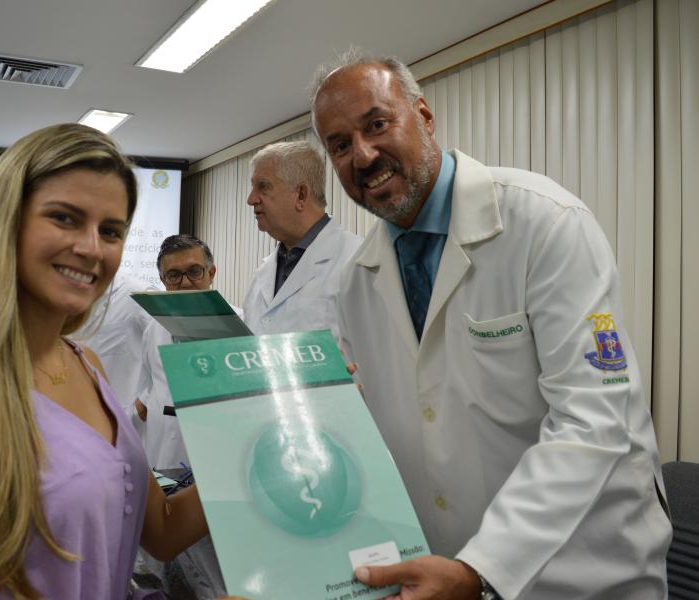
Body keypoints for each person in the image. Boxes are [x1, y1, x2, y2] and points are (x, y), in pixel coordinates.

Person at [310, 50, 671, 599]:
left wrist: (481, 567)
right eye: (339, 145)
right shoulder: (356, 282)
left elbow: (594, 416)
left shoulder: (546, 223)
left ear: (424, 117)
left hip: (583, 573)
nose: (362, 154)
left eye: (377, 124)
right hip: (445, 570)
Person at [0, 123, 211, 600]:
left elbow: (162, 530)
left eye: (110, 231)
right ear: (7, 224)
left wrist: (265, 443)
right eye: (64, 218)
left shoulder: (87, 365)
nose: (91, 247)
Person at [133, 233, 233, 600]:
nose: (185, 282)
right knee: (167, 574)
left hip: (210, 474)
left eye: (194, 271)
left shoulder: (236, 325)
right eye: (174, 276)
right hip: (162, 464)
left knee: (213, 580)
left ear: (212, 273)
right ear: (162, 281)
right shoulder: (153, 328)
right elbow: (150, 385)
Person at [243, 140, 361, 340]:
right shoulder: (264, 272)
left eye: (263, 186)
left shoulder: (357, 260)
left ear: (301, 195)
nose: (251, 199)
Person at [71, 271, 158, 434]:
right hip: (79, 420)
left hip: (128, 422)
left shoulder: (139, 293)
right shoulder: (65, 297)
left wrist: (144, 404)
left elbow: (167, 353)